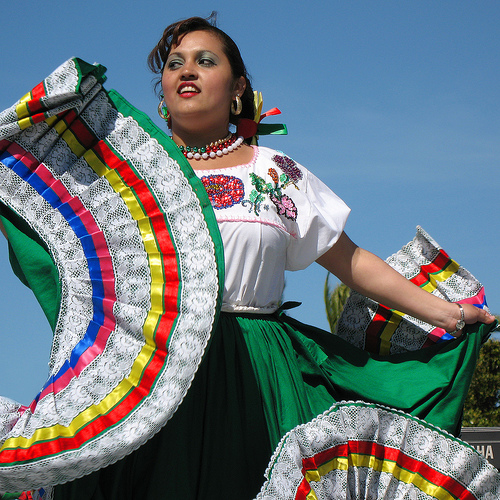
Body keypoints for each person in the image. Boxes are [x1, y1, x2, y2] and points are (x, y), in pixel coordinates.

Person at [0, 14, 496, 500]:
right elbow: (61, 252)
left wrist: (448, 314)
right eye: (174, 63)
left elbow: (352, 262)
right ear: (163, 89)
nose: (186, 71)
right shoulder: (123, 176)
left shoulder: (275, 174)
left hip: (259, 372)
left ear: (237, 87)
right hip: (150, 375)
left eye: (205, 61)